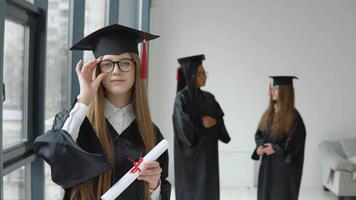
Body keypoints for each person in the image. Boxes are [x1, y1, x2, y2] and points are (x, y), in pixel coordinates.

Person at [34, 24, 171, 200]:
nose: (116, 70)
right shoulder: (79, 125)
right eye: (107, 64)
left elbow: (159, 194)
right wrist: (84, 98)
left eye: (125, 63)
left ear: (136, 68)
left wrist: (154, 186)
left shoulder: (151, 133)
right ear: (97, 70)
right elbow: (55, 152)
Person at [172, 54, 231, 200]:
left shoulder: (209, 97)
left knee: (209, 190)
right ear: (191, 75)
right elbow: (183, 129)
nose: (204, 76)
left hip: (209, 155)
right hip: (190, 160)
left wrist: (215, 123)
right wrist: (201, 124)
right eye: (200, 73)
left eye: (205, 73)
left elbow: (220, 124)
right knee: (193, 192)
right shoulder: (182, 98)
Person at [251, 76, 306, 200]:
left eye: (276, 89)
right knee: (266, 194)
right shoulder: (269, 113)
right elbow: (259, 134)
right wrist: (259, 147)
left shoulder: (294, 117)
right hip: (267, 164)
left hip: (283, 169)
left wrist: (275, 148)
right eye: (273, 88)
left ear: (285, 92)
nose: (272, 92)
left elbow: (295, 144)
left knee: (280, 195)